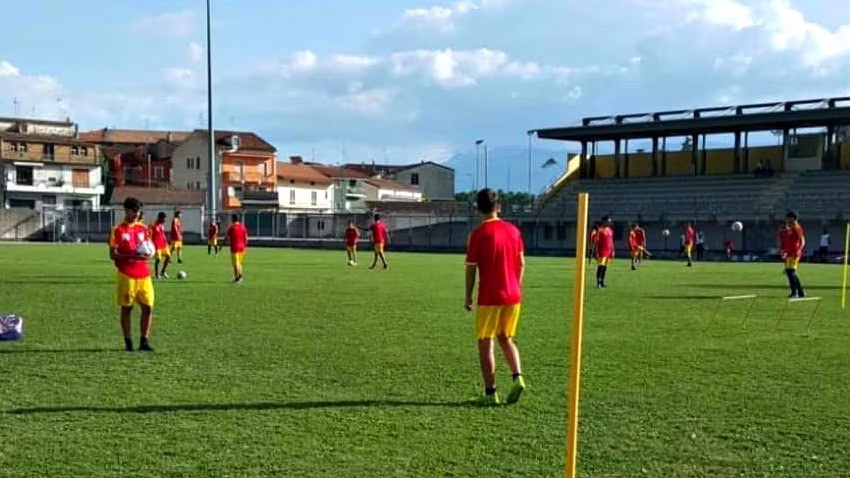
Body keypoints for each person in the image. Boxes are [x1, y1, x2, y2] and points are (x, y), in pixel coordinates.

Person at [464, 189, 525, 406]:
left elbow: (471, 269)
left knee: (485, 342)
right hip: (513, 295)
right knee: (506, 338)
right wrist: (515, 287)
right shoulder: (514, 231)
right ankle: (518, 378)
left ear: (478, 209)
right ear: (498, 207)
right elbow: (522, 264)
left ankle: (491, 393)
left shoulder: (478, 234)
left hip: (490, 296)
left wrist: (468, 296)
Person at [108, 197, 155, 352]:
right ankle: (128, 343)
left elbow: (149, 248)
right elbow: (112, 255)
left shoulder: (143, 229)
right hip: (127, 275)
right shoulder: (117, 230)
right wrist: (131, 256)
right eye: (133, 211)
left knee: (148, 307)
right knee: (127, 309)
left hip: (144, 275)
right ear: (126, 210)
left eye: (138, 211)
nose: (136, 214)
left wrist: (149, 254)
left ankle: (144, 342)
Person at [779, 211, 806, 298]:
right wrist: (783, 251)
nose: (786, 219)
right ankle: (800, 292)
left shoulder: (797, 228)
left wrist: (798, 250)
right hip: (789, 253)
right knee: (790, 272)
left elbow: (802, 240)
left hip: (794, 253)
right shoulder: (788, 228)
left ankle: (795, 292)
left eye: (788, 218)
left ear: (793, 218)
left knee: (791, 272)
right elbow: (786, 241)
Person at [226, 214, 248, 283]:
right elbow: (246, 238)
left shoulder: (231, 228)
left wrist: (221, 245)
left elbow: (226, 237)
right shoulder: (243, 227)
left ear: (233, 219)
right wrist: (245, 246)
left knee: (236, 264)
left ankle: (240, 277)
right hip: (242, 248)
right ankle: (236, 278)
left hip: (234, 248)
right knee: (239, 263)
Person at [593, 216, 614, 288]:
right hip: (602, 251)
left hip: (608, 251)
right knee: (600, 267)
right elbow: (596, 242)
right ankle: (598, 282)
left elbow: (611, 241)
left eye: (610, 221)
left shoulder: (610, 230)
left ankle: (602, 282)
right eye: (608, 221)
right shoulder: (600, 230)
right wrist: (595, 252)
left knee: (605, 267)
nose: (609, 223)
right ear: (604, 221)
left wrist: (612, 250)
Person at [150, 212, 172, 279]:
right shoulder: (153, 226)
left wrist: (166, 242)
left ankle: (163, 272)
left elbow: (162, 234)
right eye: (164, 219)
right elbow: (150, 235)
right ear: (160, 218)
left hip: (163, 244)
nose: (165, 220)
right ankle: (157, 274)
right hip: (157, 245)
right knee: (158, 259)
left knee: (168, 256)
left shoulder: (162, 225)